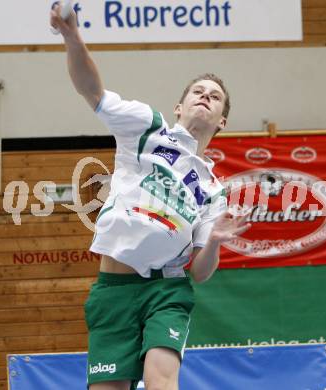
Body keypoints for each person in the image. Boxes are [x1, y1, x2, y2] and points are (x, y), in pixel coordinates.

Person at [50, 5, 250, 390]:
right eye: (197, 92)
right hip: (114, 287)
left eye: (215, 98)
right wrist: (73, 39)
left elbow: (201, 272)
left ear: (222, 121)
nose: (205, 98)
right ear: (179, 106)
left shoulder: (213, 190)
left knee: (160, 379)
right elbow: (92, 92)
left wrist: (216, 243)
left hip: (166, 289)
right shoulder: (147, 127)